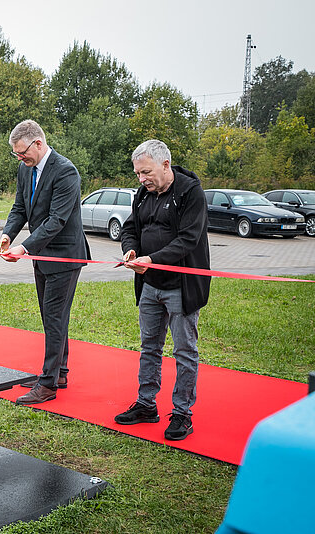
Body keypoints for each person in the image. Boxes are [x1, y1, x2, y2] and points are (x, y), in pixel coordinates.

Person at [114, 139, 211, 441]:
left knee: (184, 351)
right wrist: (131, 251)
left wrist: (153, 259)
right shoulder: (144, 194)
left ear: (166, 165)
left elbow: (188, 239)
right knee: (149, 347)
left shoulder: (190, 193)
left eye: (146, 172)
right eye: (138, 174)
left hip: (181, 287)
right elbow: (131, 228)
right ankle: (146, 405)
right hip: (149, 285)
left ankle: (182, 413)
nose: (142, 180)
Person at [0, 119, 90, 405]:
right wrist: (7, 235)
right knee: (52, 317)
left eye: (22, 152)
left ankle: (48, 383)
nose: (20, 158)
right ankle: (58, 372)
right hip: (42, 256)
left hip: (65, 256)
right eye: (16, 154)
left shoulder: (66, 171)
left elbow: (57, 220)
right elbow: (19, 207)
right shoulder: (25, 171)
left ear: (39, 143)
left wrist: (24, 248)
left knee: (53, 317)